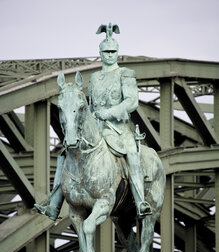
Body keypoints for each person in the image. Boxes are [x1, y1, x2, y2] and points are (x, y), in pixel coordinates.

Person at [34, 23, 151, 220]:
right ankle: (54, 204)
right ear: (100, 53)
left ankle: (140, 201)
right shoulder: (95, 77)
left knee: (132, 153)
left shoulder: (125, 74)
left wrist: (110, 112)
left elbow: (132, 101)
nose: (110, 54)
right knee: (65, 154)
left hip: (119, 129)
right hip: (96, 128)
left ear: (117, 52)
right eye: (106, 51)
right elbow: (89, 106)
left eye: (113, 51)